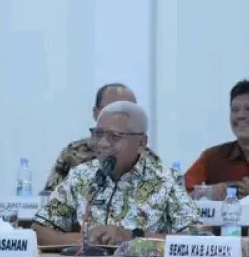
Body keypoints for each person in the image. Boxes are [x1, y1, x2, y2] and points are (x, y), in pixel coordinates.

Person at [33, 101, 198, 246]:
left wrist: (132, 237)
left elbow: (194, 238)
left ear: (141, 142)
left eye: (115, 136)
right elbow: (39, 230)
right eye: (98, 134)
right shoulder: (81, 176)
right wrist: (84, 240)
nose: (103, 143)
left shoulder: (166, 180)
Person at [43, 83, 161, 191]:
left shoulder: (147, 158)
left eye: (128, 111)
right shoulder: (73, 153)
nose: (119, 117)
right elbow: (50, 197)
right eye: (111, 109)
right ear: (95, 113)